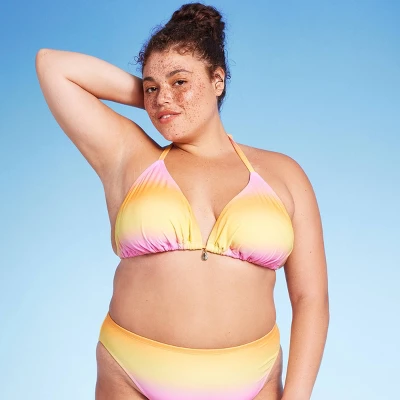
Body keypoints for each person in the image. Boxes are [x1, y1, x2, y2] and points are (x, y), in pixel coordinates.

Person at [36, 3, 328, 399]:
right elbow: (52, 65)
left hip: (253, 379)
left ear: (218, 80)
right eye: (151, 87)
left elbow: (311, 299)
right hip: (131, 372)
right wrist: (160, 98)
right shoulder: (129, 156)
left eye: (180, 81)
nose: (162, 99)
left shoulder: (283, 173)